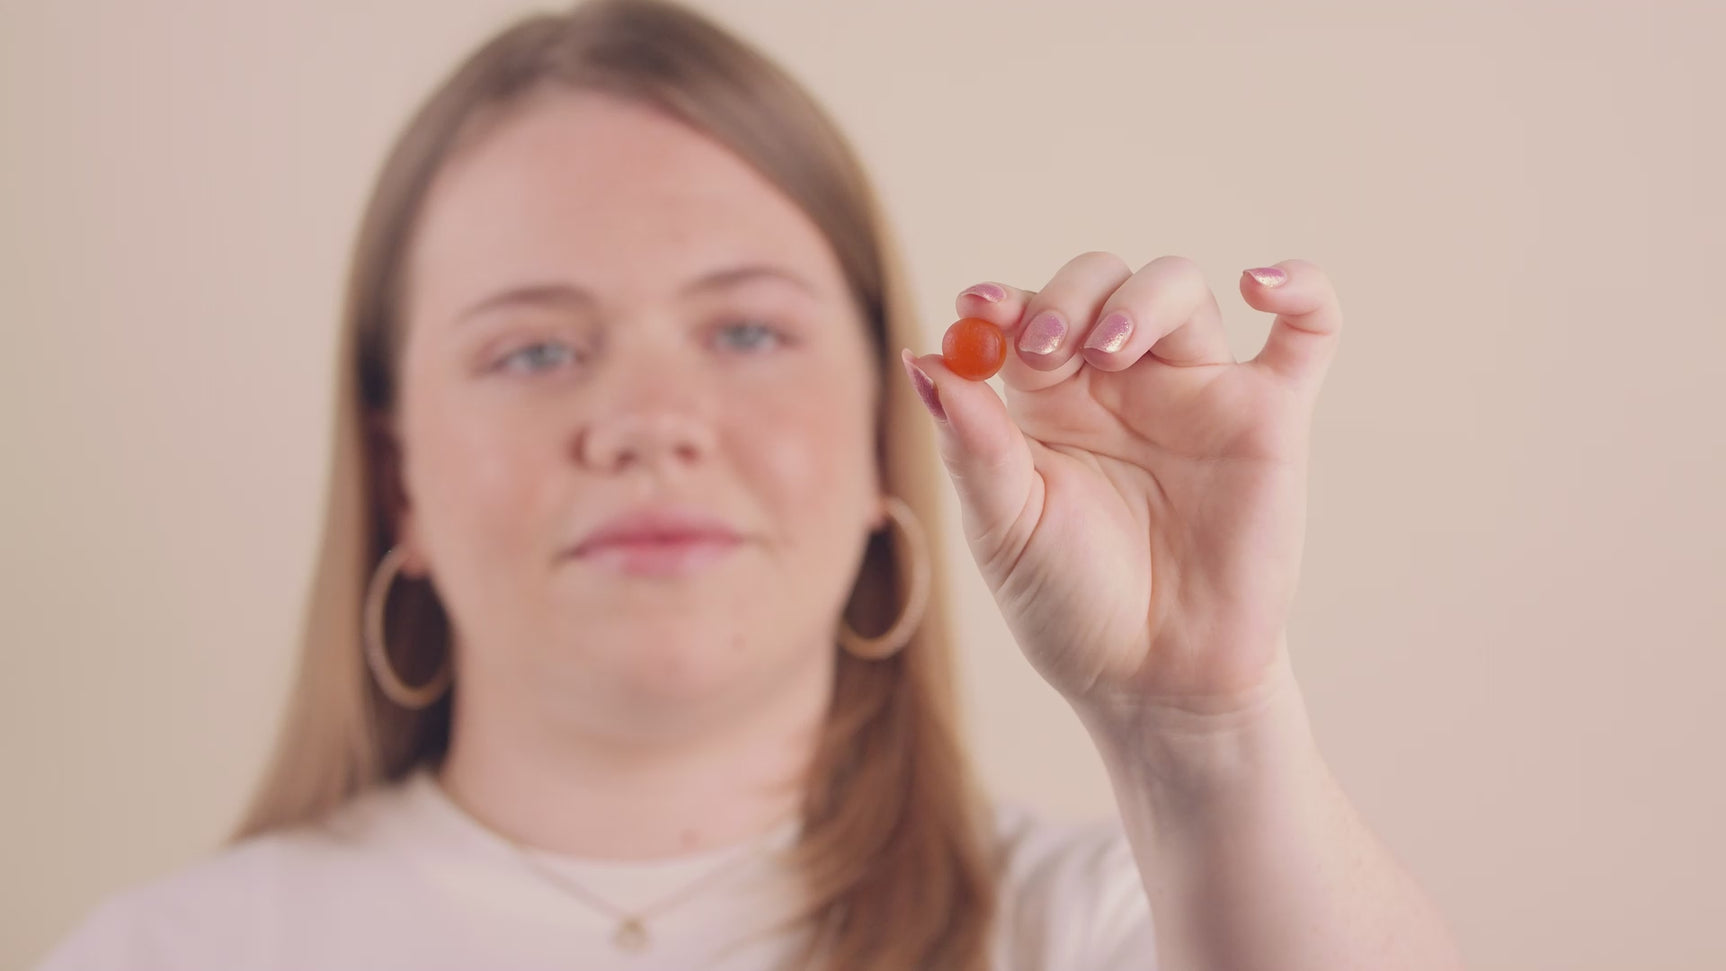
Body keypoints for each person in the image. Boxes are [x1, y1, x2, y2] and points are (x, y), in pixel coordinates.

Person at [36, 1, 1467, 969]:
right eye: (533, 347)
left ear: (878, 430)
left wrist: (1195, 722)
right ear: (397, 469)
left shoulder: (1125, 922)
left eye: (744, 331)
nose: (651, 423)